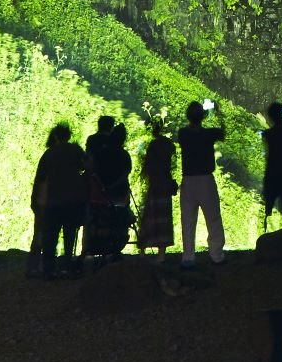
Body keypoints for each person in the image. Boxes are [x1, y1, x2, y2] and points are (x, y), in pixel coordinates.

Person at [29, 121, 87, 279]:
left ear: (55, 136)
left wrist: (35, 200)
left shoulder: (49, 154)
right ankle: (67, 266)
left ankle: (48, 269)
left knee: (51, 236)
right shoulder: (76, 150)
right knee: (69, 235)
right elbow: (87, 167)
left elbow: (40, 178)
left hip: (53, 200)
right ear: (68, 136)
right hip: (73, 200)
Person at [176, 100, 227, 267]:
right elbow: (223, 133)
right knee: (213, 218)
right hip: (205, 179)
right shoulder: (209, 134)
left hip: (188, 180)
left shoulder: (183, 133)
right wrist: (217, 112)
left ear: (188, 117)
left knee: (188, 220)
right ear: (203, 117)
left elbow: (188, 130)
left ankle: (188, 257)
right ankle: (216, 255)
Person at [84, 115, 131, 263]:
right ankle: (113, 248)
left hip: (97, 190)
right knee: (117, 217)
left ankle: (88, 248)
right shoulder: (123, 154)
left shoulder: (93, 142)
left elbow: (90, 165)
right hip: (118, 194)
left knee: (93, 218)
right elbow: (125, 173)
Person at [136, 117, 177, 255]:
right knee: (164, 219)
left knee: (149, 216)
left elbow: (147, 167)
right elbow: (171, 166)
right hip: (165, 184)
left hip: (154, 185)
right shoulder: (169, 144)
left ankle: (142, 250)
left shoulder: (152, 145)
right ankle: (161, 254)